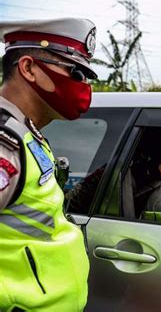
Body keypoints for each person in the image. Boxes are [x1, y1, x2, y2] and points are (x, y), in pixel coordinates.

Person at [0, 18, 97, 311]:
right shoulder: (5, 141)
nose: (83, 85)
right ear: (28, 68)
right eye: (75, 72)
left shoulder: (26, 132)